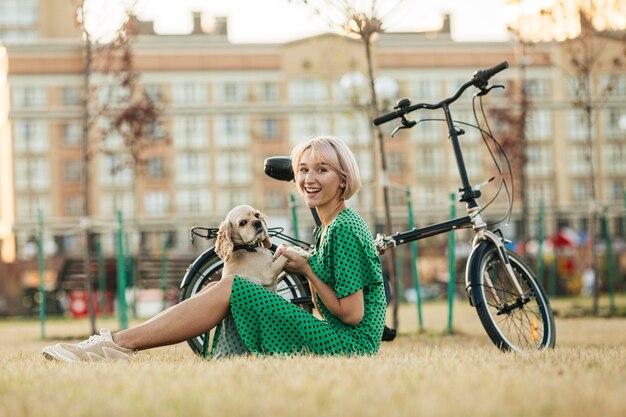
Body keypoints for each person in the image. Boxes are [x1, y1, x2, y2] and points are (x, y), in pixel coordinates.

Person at [42, 136, 387, 362]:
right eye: (303, 170)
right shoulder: (330, 225)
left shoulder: (343, 228)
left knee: (234, 287)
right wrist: (302, 269)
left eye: (322, 170)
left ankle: (116, 345)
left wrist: (307, 269)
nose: (309, 179)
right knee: (222, 288)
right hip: (339, 338)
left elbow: (352, 315)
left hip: (348, 347)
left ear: (343, 178)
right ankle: (113, 343)